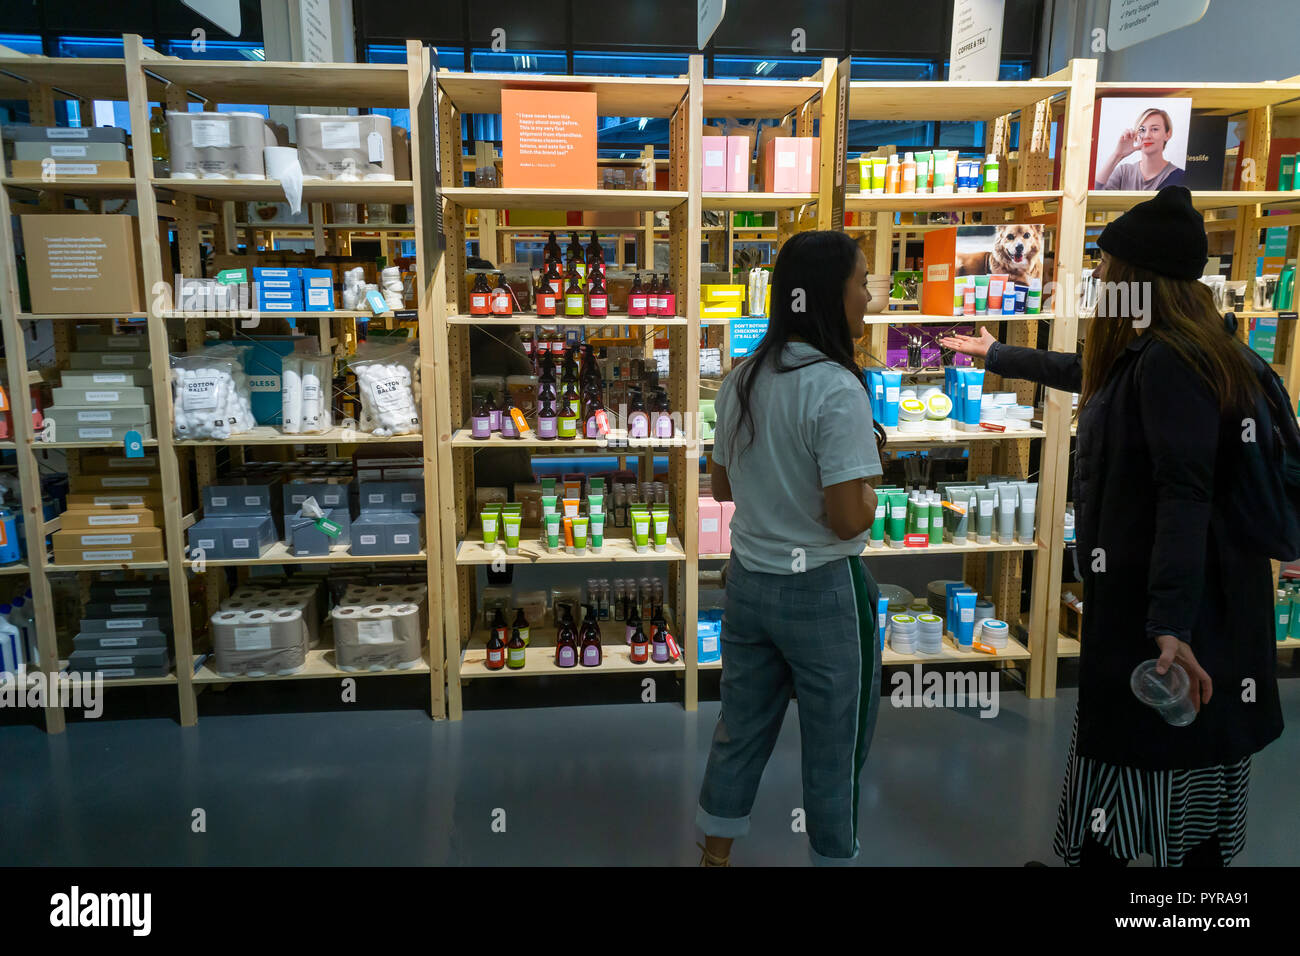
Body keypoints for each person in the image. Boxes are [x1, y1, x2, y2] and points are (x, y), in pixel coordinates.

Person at [940, 186, 1284, 867]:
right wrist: (999, 354)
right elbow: (1094, 375)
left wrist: (1170, 626)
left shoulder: (1173, 363)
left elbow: (1183, 497)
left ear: (1138, 280)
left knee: (1149, 745)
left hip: (1172, 605)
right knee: (1175, 753)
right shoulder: (1180, 349)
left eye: (1106, 267)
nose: (1097, 278)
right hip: (1189, 599)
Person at [696, 230, 886, 867]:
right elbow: (844, 521)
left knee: (739, 732)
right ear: (832, 295)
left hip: (748, 584)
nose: (869, 297)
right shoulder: (836, 388)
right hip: (824, 593)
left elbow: (722, 485)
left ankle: (715, 855)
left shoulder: (743, 377)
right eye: (862, 283)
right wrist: (873, 497)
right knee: (836, 748)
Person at [1095, 107, 1186, 191]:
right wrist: (1117, 155)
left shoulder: (1180, 176)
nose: (1147, 136)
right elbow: (1093, 197)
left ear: (1167, 134)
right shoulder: (1124, 172)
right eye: (1142, 130)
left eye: (1154, 129)